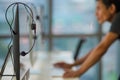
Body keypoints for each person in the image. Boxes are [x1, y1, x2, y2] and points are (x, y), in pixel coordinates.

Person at [54, 0, 120, 79]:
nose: (96, 14)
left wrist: (78, 72)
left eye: (99, 8)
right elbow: (97, 49)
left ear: (112, 8)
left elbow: (102, 48)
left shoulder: (118, 19)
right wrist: (72, 65)